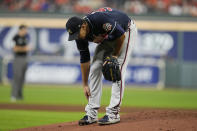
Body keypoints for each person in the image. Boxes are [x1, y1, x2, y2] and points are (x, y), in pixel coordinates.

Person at [66, 7, 137, 125]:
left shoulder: (99, 20)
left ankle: (113, 113)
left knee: (117, 68)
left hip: (125, 31)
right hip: (109, 37)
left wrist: (114, 56)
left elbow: (120, 35)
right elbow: (84, 59)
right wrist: (84, 84)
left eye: (77, 34)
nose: (76, 37)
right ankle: (91, 113)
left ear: (83, 26)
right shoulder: (80, 34)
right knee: (95, 68)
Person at [11, 25, 30, 102]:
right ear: (21, 30)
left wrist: (25, 49)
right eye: (25, 30)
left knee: (22, 78)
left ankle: (19, 95)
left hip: (24, 58)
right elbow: (15, 49)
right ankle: (13, 95)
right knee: (17, 77)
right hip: (18, 59)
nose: (26, 31)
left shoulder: (25, 38)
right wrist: (24, 48)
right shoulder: (15, 37)